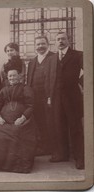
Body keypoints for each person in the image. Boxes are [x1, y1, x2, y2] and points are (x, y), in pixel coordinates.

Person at [0, 62, 36, 173]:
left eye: (14, 75)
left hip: (21, 119)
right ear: (7, 77)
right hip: (4, 118)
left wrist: (23, 117)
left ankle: (15, 165)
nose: (12, 78)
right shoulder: (4, 90)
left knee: (16, 131)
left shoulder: (26, 88)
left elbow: (30, 106)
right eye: (10, 76)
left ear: (19, 76)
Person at [45, 32, 84, 169]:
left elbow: (89, 71)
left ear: (68, 40)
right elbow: (49, 79)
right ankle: (62, 154)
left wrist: (79, 82)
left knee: (75, 128)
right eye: (58, 39)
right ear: (55, 42)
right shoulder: (52, 58)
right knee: (59, 127)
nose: (60, 41)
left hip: (72, 98)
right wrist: (49, 96)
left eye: (63, 39)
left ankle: (80, 158)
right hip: (56, 99)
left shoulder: (78, 55)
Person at [26, 36, 55, 155]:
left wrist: (51, 96)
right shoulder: (32, 61)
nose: (40, 46)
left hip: (49, 97)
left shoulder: (54, 57)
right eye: (37, 44)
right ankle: (43, 147)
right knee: (39, 122)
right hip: (35, 97)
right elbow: (29, 80)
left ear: (48, 44)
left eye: (42, 44)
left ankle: (53, 148)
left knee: (51, 122)